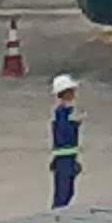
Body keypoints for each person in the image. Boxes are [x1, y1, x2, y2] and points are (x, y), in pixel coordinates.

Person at [47, 77, 82, 211]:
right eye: (71, 91)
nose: (74, 94)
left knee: (68, 192)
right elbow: (64, 135)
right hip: (64, 159)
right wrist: (74, 125)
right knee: (63, 194)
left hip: (69, 157)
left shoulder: (67, 112)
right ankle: (56, 217)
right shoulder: (61, 113)